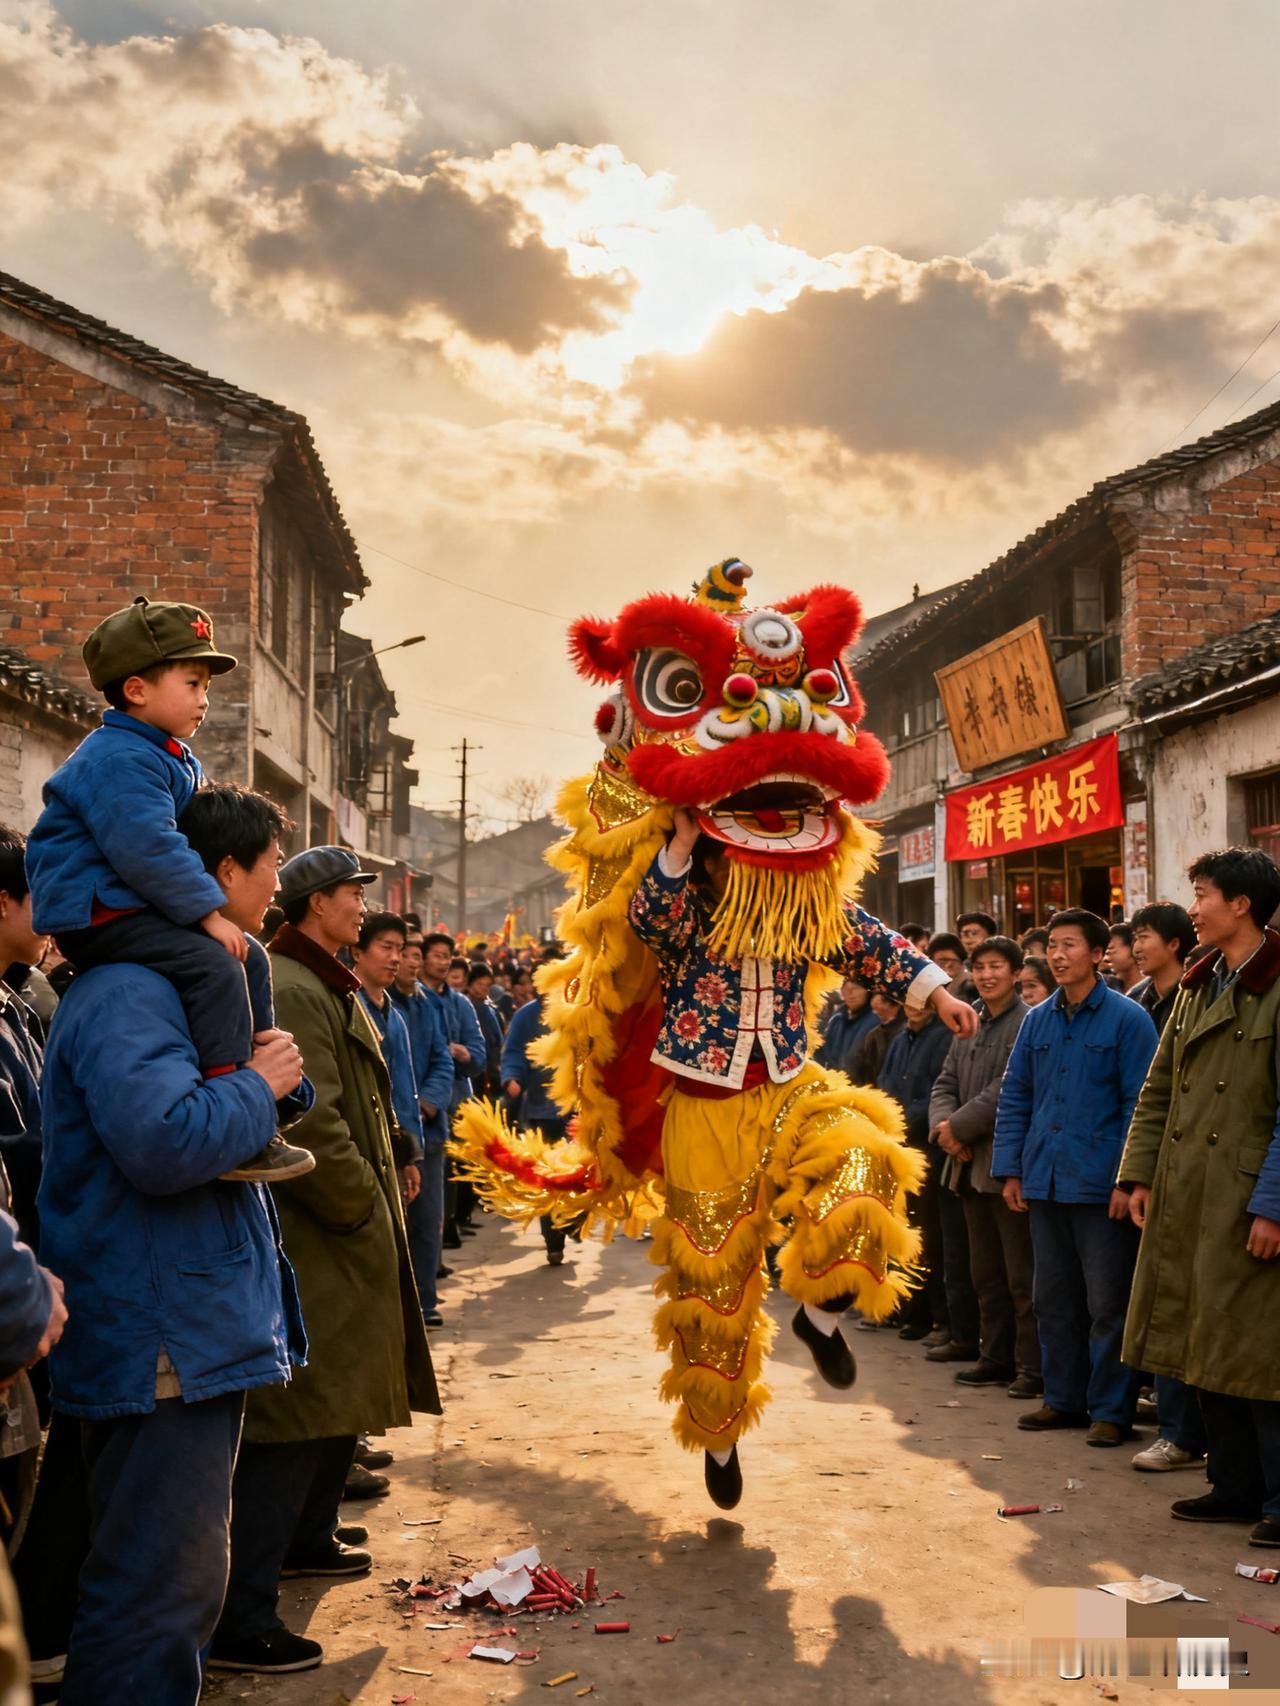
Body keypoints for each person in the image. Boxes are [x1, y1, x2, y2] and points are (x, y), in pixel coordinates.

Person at [37, 783, 307, 1705]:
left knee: (172, 1584)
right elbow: (163, 1143)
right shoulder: (128, 993)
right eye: (270, 867)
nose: (277, 885)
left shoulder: (188, 983)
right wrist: (260, 1089)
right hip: (160, 1332)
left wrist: (270, 1086)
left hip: (182, 1326)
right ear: (216, 873)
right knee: (156, 1590)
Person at [209, 846, 440, 1678]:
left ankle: (305, 1539)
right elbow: (314, 1122)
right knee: (297, 1419)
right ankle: (246, 1612)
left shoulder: (318, 977)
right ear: (313, 906)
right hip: (322, 1232)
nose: (360, 909)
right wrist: (362, 1209)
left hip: (346, 1227)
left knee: (331, 1408)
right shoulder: (297, 986)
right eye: (349, 896)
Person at [23, 596, 312, 1186]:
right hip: (99, 910)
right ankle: (233, 1093)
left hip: (133, 903)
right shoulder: (120, 757)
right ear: (136, 689)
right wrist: (208, 913)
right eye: (192, 681)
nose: (205, 699)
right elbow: (147, 847)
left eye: (206, 684)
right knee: (215, 966)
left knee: (248, 956)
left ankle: (260, 1061)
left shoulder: (167, 754)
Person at [1120, 848, 1280, 1541]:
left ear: (1240, 904)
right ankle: (1232, 1485)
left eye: (1204, 893)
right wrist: (1138, 1175)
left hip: (1246, 1197)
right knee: (1202, 1342)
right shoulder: (1198, 981)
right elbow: (1159, 1089)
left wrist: (1274, 1204)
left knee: (1258, 1355)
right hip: (1191, 1192)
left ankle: (1277, 1499)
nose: (1195, 907)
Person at [992, 908, 1158, 1447]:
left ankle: (1112, 1410)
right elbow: (1016, 1096)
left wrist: (1129, 1179)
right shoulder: (1036, 1021)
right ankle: (1062, 1400)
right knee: (1053, 1298)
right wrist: (1011, 1169)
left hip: (1101, 1185)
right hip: (1046, 1180)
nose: (1058, 956)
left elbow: (1142, 1103)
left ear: (1097, 953)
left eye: (1069, 946)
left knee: (1107, 1303)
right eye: (1053, 947)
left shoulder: (1128, 1020)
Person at [930, 936, 1038, 1396]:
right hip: (966, 1164)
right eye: (981, 967)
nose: (988, 974)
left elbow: (1007, 1087)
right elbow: (945, 1081)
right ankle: (993, 1357)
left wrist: (958, 1129)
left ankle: (1030, 1368)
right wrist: (945, 1129)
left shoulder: (1027, 1023)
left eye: (997, 966)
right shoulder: (970, 1019)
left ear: (1015, 973)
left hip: (1003, 1165)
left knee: (1021, 1278)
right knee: (985, 1274)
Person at [1119, 899, 1205, 1474]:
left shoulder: (1213, 991)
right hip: (1164, 1168)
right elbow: (1150, 1099)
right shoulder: (1140, 1005)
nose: (1134, 945)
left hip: (1214, 1170)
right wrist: (1136, 1173)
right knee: (1162, 1302)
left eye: (1145, 935)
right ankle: (1178, 1429)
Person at [878, 1004, 967, 1349]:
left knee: (934, 1240)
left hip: (927, 1150)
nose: (913, 1007)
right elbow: (885, 1083)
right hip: (898, 1149)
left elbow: (936, 1094)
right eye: (909, 1001)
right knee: (906, 1233)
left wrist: (900, 1123)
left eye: (921, 1001)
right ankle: (911, 1313)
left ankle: (941, 1319)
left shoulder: (942, 1036)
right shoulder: (901, 1038)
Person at [389, 934, 455, 1330]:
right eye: (402, 954)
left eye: (412, 955)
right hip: (395, 1132)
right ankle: (400, 1303)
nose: (409, 963)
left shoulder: (429, 1004)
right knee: (398, 1225)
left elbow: (442, 1059)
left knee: (429, 1223)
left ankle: (426, 1300)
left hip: (428, 1131)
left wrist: (428, 1102)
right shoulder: (372, 1002)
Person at [419, 932, 485, 1247]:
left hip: (456, 1100)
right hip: (419, 1103)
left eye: (448, 956)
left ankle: (448, 1230)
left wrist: (464, 1053)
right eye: (438, 956)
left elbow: (479, 1055)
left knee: (452, 1169)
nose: (443, 962)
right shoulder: (410, 999)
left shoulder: (460, 1004)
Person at [501, 986, 573, 1265]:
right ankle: (553, 1240)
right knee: (548, 1179)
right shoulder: (526, 1016)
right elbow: (514, 1052)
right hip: (542, 1111)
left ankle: (574, 1223)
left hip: (577, 1111)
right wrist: (512, 1078)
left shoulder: (578, 1010)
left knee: (578, 1175)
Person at [1128, 901, 1195, 1038]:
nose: (1136, 949)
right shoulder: (1135, 998)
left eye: (1143, 937)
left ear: (1173, 944)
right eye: (1135, 938)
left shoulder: (1196, 997)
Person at [815, 977, 878, 1076]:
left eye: (856, 988)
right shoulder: (837, 1018)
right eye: (846, 989)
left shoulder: (875, 1020)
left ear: (868, 991)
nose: (851, 994)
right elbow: (823, 1052)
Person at [465, 962, 504, 1096]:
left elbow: (498, 1041)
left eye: (487, 985)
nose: (483, 989)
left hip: (492, 1070)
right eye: (479, 984)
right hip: (474, 1070)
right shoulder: (464, 1007)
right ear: (469, 984)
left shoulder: (491, 1010)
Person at [849, 992, 904, 1086]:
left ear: (890, 1005)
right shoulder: (874, 1034)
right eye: (873, 1009)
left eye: (877, 1008)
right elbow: (866, 1065)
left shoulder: (906, 1031)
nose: (875, 1012)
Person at [930, 931, 976, 1005]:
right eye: (942, 963)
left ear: (962, 961)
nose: (947, 966)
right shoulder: (929, 986)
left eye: (953, 962)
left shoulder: (972, 986)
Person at [1105, 922, 1143, 994]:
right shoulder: (1107, 986)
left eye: (1111, 948)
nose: (1107, 954)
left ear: (1133, 947)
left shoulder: (1150, 988)